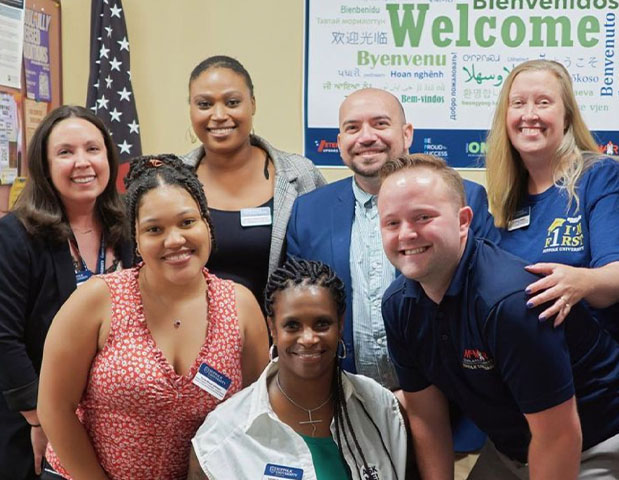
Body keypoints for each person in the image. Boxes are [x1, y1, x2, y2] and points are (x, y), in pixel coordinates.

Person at [380, 153, 619, 479]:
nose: (406, 234)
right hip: (519, 445)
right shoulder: (398, 305)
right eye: (392, 223)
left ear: (463, 221)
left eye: (423, 218)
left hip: (606, 435)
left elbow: (558, 436)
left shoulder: (508, 301)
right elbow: (427, 419)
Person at [285, 87, 494, 451]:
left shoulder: (465, 198)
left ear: (406, 134)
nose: (366, 137)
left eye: (380, 124)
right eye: (352, 128)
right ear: (339, 140)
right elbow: (298, 315)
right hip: (347, 424)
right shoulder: (309, 213)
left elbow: (482, 308)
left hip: (454, 420)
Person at [37, 155, 269, 479]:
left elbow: (253, 413)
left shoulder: (240, 306)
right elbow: (54, 407)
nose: (174, 240)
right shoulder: (97, 300)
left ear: (207, 223)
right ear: (137, 236)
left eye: (187, 222)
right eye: (154, 229)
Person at [484, 59, 619, 433]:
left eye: (543, 102)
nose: (530, 115)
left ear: (567, 116)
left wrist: (578, 283)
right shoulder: (507, 202)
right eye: (518, 103)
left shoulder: (603, 177)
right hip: (550, 400)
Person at [0, 105, 132, 480]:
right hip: (30, 423)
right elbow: (4, 339)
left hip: (110, 421)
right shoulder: (15, 236)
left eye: (93, 149)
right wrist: (41, 420)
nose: (82, 162)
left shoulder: (128, 227)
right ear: (44, 165)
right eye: (65, 152)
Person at [189, 257, 407, 480]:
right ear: (272, 328)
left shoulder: (381, 409)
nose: (309, 338)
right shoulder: (219, 440)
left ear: (340, 325)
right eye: (292, 326)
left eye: (322, 324)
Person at [182, 55, 325, 310]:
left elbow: (324, 260)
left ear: (253, 104)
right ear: (191, 109)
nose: (219, 115)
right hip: (191, 339)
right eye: (204, 104)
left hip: (280, 342)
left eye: (232, 102)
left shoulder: (300, 175)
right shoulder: (171, 181)